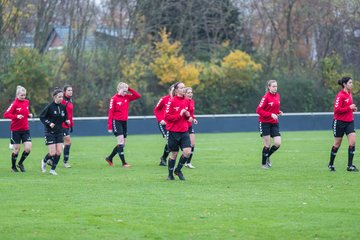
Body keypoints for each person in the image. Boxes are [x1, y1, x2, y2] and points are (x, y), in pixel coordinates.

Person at [105, 82, 141, 167]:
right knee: (120, 143)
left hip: (124, 122)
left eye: (126, 91)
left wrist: (129, 89)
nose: (125, 93)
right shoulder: (114, 99)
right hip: (116, 122)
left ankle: (109, 158)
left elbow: (138, 96)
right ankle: (124, 163)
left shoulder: (127, 97)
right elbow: (110, 113)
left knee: (123, 144)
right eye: (123, 91)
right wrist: (109, 126)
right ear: (118, 89)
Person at [328, 77, 358, 172]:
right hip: (339, 122)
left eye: (352, 82)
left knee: (352, 141)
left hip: (349, 121)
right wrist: (349, 107)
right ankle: (331, 164)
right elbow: (337, 110)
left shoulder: (349, 93)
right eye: (350, 83)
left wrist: (352, 109)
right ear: (344, 84)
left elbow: (348, 108)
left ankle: (350, 166)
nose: (352, 84)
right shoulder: (340, 95)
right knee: (337, 144)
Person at [164, 82, 192, 180]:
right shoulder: (171, 101)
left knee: (187, 152)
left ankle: (178, 170)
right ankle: (170, 175)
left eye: (184, 87)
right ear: (176, 90)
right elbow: (166, 117)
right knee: (174, 154)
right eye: (181, 88)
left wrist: (188, 116)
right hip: (173, 131)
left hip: (184, 130)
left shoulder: (186, 101)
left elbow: (187, 116)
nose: (184, 89)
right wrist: (179, 115)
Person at [39, 88, 70, 175]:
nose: (61, 98)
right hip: (49, 132)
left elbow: (65, 116)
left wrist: (67, 121)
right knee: (52, 153)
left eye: (62, 97)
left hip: (59, 132)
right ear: (54, 97)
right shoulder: (49, 107)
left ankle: (52, 170)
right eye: (59, 97)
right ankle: (44, 161)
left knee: (59, 152)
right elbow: (42, 117)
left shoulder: (63, 107)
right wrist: (49, 123)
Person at [3, 86, 33, 172]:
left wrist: (28, 114)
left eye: (24, 95)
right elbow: (6, 114)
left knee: (28, 148)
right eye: (21, 95)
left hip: (25, 129)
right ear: (17, 95)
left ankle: (20, 163)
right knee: (16, 150)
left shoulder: (27, 102)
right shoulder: (14, 104)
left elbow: (25, 111)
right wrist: (16, 116)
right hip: (15, 130)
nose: (23, 97)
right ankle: (13, 167)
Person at [256, 80, 283, 169]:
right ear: (269, 87)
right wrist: (270, 114)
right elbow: (258, 110)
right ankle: (263, 164)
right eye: (273, 86)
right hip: (265, 122)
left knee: (278, 143)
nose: (275, 88)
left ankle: (267, 156)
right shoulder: (266, 97)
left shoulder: (278, 95)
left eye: (276, 86)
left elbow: (273, 108)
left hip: (274, 122)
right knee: (267, 145)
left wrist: (278, 112)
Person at [153, 84, 174, 166]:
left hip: (172, 124)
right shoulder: (164, 99)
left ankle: (163, 158)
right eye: (172, 90)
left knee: (171, 143)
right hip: (164, 124)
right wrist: (160, 119)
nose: (174, 92)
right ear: (170, 91)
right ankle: (164, 159)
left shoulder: (177, 100)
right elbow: (156, 110)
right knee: (169, 141)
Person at [184, 87, 198, 169]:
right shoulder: (183, 102)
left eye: (191, 92)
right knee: (184, 147)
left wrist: (194, 118)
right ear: (184, 94)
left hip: (189, 125)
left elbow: (191, 114)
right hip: (183, 126)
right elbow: (182, 114)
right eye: (188, 93)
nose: (190, 94)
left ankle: (188, 162)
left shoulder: (192, 102)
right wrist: (187, 118)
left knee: (192, 144)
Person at [62, 85, 74, 168]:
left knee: (59, 144)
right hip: (62, 125)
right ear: (64, 92)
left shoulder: (70, 100)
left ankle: (50, 159)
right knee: (68, 142)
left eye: (71, 90)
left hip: (67, 125)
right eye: (69, 90)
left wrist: (71, 124)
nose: (70, 91)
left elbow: (70, 114)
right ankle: (65, 162)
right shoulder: (62, 101)